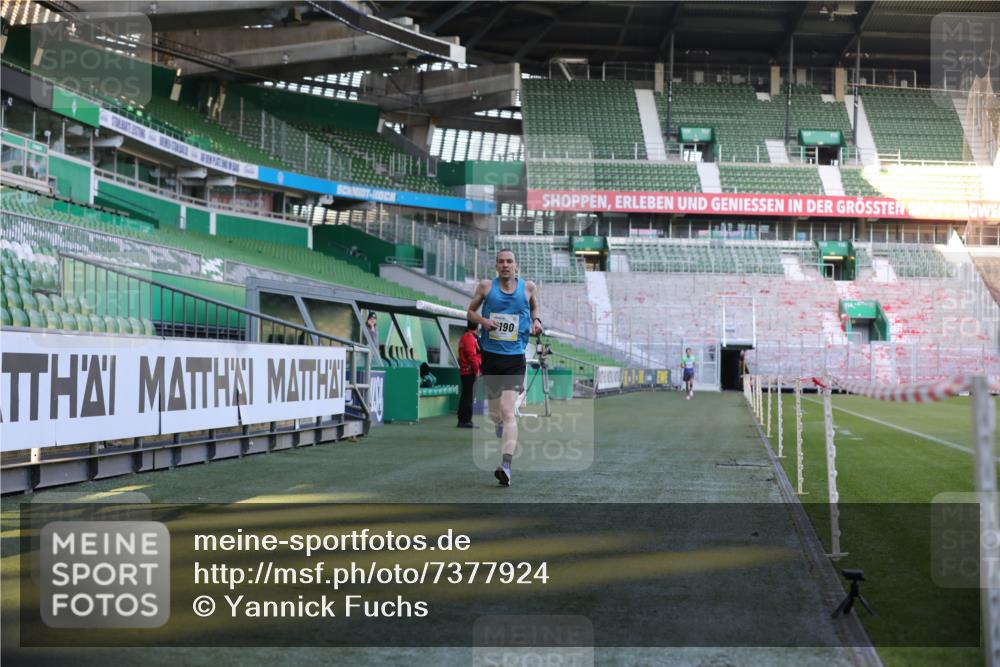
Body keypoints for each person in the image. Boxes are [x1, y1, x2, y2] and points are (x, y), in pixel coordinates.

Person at [467, 248, 543, 487]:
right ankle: (499, 424)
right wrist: (483, 321)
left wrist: (537, 321)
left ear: (516, 265)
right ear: (496, 266)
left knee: (509, 412)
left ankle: (506, 466)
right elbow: (470, 312)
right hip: (491, 357)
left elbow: (533, 309)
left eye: (509, 261)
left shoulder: (528, 288)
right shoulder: (486, 288)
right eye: (501, 262)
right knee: (495, 414)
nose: (505, 265)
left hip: (514, 359)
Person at [457, 321, 481, 428]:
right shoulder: (469, 338)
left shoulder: (466, 337)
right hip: (469, 371)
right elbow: (472, 356)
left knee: (466, 396)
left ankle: (463, 419)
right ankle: (465, 420)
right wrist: (477, 371)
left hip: (466, 371)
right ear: (477, 326)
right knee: (468, 397)